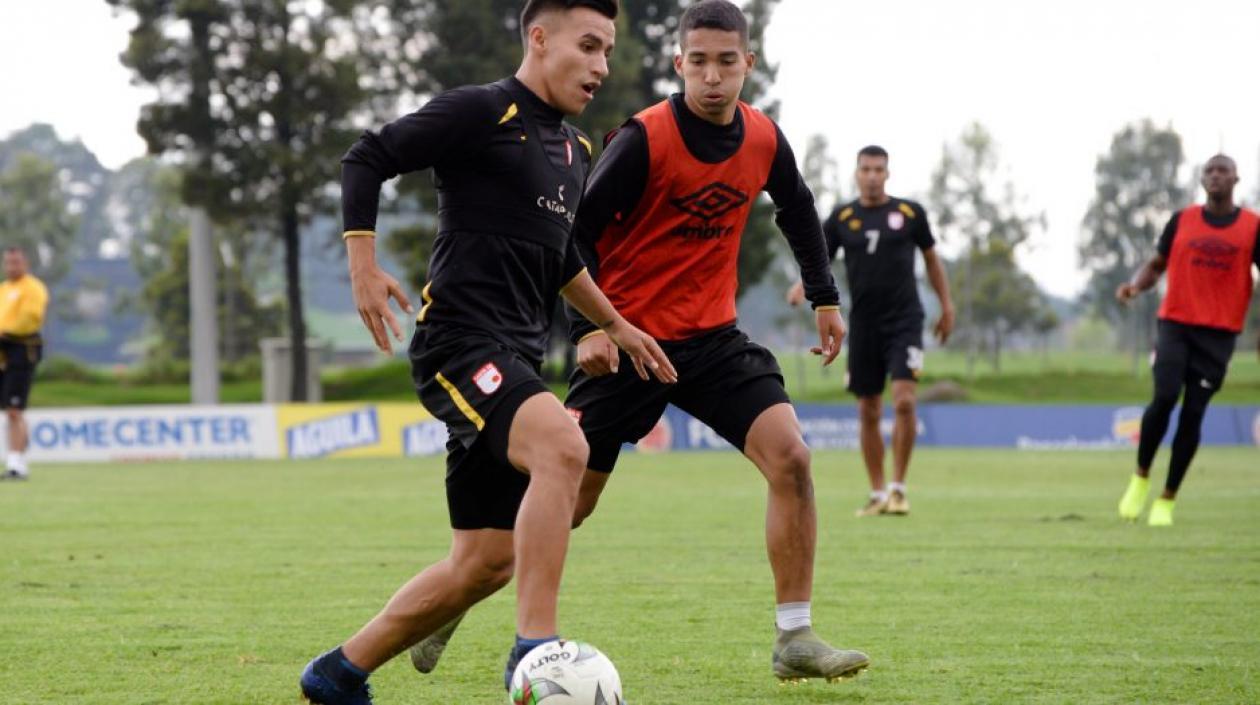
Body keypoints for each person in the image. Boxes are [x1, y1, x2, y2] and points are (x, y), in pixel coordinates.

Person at [412, 0, 869, 685]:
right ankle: (463, 588)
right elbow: (568, 236)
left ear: (748, 63)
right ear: (678, 64)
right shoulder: (643, 139)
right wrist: (591, 330)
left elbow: (797, 207)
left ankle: (794, 634)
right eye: (698, 62)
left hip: (713, 340)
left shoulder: (765, 138)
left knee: (793, 458)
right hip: (629, 342)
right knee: (575, 501)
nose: (712, 77)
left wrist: (825, 297)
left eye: (726, 62)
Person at [298, 2, 678, 703]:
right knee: (564, 447)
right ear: (539, 37)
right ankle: (535, 649)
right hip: (459, 341)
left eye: (608, 51)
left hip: (518, 357)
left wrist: (617, 324)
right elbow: (367, 156)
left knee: (483, 562)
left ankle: (337, 673)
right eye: (587, 46)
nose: (601, 66)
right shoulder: (482, 111)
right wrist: (362, 264)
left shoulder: (576, 151)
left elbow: (561, 257)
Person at [789, 146, 954, 517]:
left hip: (905, 320)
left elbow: (931, 259)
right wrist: (803, 286)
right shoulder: (843, 217)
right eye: (866, 169)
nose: (873, 175)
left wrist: (947, 305)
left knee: (906, 401)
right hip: (863, 323)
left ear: (888, 173)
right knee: (868, 408)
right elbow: (820, 258)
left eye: (879, 169)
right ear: (856, 173)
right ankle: (877, 492)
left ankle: (899, 488)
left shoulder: (910, 213)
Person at [1115, 154, 1260, 527]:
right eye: (1209, 171)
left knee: (1193, 414)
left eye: (1222, 171)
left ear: (1235, 178)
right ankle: (1141, 476)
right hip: (1175, 324)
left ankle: (1167, 499)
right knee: (1164, 397)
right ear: (1201, 180)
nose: (1215, 176)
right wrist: (1135, 285)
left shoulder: (1252, 227)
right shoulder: (1182, 220)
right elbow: (1156, 264)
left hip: (1219, 333)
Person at [0, 247, 48, 480]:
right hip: (3, 351)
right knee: (9, 410)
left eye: (16, 263)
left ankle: (17, 464)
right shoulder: (4, 289)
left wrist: (6, 331)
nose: (11, 267)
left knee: (14, 409)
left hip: (21, 348)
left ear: (25, 263)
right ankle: (15, 459)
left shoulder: (33, 288)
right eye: (8, 263)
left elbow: (30, 318)